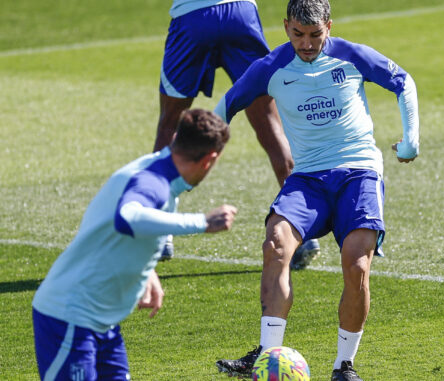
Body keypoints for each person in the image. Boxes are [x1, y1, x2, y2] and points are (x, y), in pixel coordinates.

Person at [213, 0, 419, 379]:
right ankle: (267, 355)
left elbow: (403, 81)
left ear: (329, 25)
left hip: (359, 172)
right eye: (297, 34)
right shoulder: (271, 66)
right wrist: (206, 149)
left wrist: (410, 141)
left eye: (315, 35)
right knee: (276, 244)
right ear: (286, 26)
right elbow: (227, 105)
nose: (306, 44)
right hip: (307, 177)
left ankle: (344, 366)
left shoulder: (351, 56)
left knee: (357, 262)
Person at [32, 109, 237, 380]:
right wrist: (201, 222)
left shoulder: (157, 171)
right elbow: (127, 217)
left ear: (176, 137)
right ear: (210, 160)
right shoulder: (154, 182)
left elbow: (108, 226)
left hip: (102, 324)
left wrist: (147, 270)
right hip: (69, 320)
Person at [155, 0, 320, 267]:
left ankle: (160, 234)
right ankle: (307, 230)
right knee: (268, 120)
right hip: (240, 14)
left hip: (192, 17)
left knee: (170, 124)